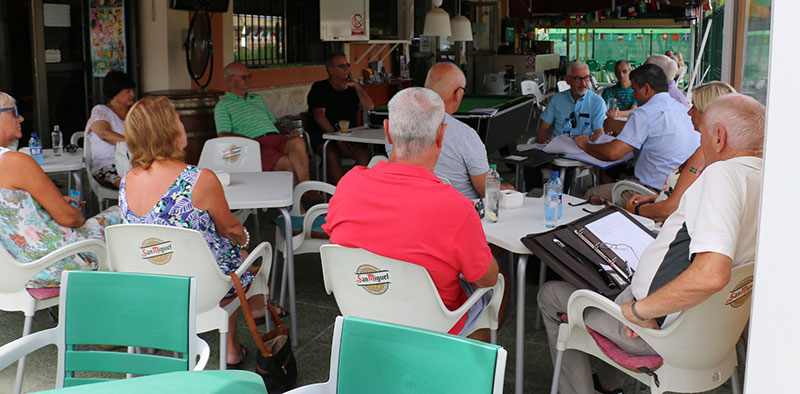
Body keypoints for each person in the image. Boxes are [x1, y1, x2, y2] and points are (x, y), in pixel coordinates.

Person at [538, 93, 764, 394]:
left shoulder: (722, 175)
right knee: (621, 288)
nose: (701, 146)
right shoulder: (768, 176)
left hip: (657, 331)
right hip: (716, 335)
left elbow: (712, 273)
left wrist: (640, 311)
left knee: (552, 293)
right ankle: (608, 385)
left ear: (719, 137)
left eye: (702, 137)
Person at [323, 87, 505, 342]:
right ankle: (476, 372)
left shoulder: (347, 186)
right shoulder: (456, 208)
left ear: (386, 131)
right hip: (436, 324)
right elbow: (485, 279)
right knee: (496, 286)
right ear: (442, 135)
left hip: (364, 312)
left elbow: (337, 242)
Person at [120, 96, 263, 368]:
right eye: (177, 117)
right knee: (235, 256)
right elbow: (229, 228)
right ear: (169, 129)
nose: (182, 122)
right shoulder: (200, 179)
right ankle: (232, 348)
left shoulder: (127, 180)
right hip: (202, 289)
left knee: (218, 254)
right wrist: (244, 238)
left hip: (152, 286)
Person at [0, 91, 120, 288]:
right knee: (120, 213)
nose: (21, 118)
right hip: (52, 264)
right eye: (14, 112)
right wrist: (64, 209)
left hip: (14, 268)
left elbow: (10, 209)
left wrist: (46, 203)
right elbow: (72, 219)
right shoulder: (15, 161)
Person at [385, 63, 511, 199]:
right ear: (458, 94)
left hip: (409, 205)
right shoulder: (465, 135)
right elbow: (489, 192)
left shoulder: (397, 127)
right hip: (461, 210)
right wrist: (507, 188)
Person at [580, 64, 699, 202]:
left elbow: (613, 153)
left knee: (592, 194)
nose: (634, 95)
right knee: (620, 174)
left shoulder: (644, 112)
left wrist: (584, 145)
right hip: (683, 190)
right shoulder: (682, 109)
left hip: (654, 191)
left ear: (647, 89)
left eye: (635, 90)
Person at [625, 81, 736, 223]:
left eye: (694, 107)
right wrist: (653, 198)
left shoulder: (704, 153)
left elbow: (670, 208)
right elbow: (688, 199)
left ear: (707, 113)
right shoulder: (721, 148)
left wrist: (635, 211)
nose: (689, 112)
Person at [214, 61, 310, 185]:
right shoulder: (223, 105)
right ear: (230, 79)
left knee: (298, 142)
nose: (248, 80)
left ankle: (307, 188)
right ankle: (299, 201)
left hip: (276, 138)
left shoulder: (256, 98)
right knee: (287, 165)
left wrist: (288, 131)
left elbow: (272, 122)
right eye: (244, 77)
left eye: (249, 76)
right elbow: (223, 135)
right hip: (255, 145)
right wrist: (249, 142)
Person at [307, 53, 375, 185]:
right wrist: (338, 140)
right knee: (331, 153)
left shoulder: (351, 88)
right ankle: (339, 192)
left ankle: (356, 188)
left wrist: (357, 86)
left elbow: (369, 106)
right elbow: (320, 117)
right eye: (341, 66)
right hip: (325, 135)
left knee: (364, 153)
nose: (346, 69)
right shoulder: (319, 88)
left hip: (350, 135)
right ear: (330, 70)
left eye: (347, 65)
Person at [84, 70, 136, 188]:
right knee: (130, 186)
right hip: (107, 165)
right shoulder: (100, 111)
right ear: (115, 94)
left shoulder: (134, 113)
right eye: (128, 91)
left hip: (133, 163)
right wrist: (135, 143)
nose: (132, 94)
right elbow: (104, 134)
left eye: (133, 91)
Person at [537, 61, 607, 144]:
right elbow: (542, 129)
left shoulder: (597, 102)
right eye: (578, 79)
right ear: (567, 80)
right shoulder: (557, 99)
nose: (583, 83)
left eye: (586, 78)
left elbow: (599, 134)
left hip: (585, 150)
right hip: (558, 148)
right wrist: (546, 144)